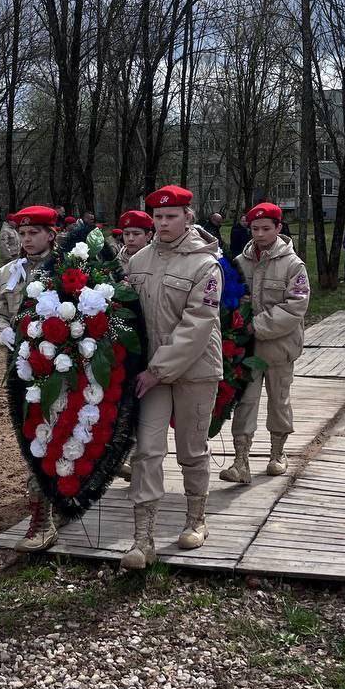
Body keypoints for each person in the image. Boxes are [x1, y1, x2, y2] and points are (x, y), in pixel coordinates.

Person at [120, 184, 222, 570]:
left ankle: (196, 520)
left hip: (194, 370)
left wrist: (157, 370)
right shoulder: (139, 261)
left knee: (191, 449)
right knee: (147, 451)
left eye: (171, 216)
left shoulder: (205, 264)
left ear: (187, 217)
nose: (163, 223)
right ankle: (142, 539)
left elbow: (198, 325)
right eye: (158, 217)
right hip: (150, 373)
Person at [0, 205, 61, 551]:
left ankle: (65, 500)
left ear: (51, 235)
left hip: (64, 368)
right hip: (24, 369)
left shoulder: (71, 267)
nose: (26, 240)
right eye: (23, 233)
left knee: (64, 434)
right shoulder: (9, 273)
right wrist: (2, 333)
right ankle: (42, 521)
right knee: (36, 438)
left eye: (34, 233)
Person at [223, 201, 310, 484]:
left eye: (265, 228)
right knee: (244, 403)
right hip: (247, 350)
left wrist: (256, 325)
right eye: (255, 229)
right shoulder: (240, 262)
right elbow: (230, 298)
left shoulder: (293, 265)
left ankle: (277, 453)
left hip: (279, 348)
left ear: (278, 228)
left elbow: (295, 306)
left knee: (279, 401)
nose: (259, 234)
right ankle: (241, 461)